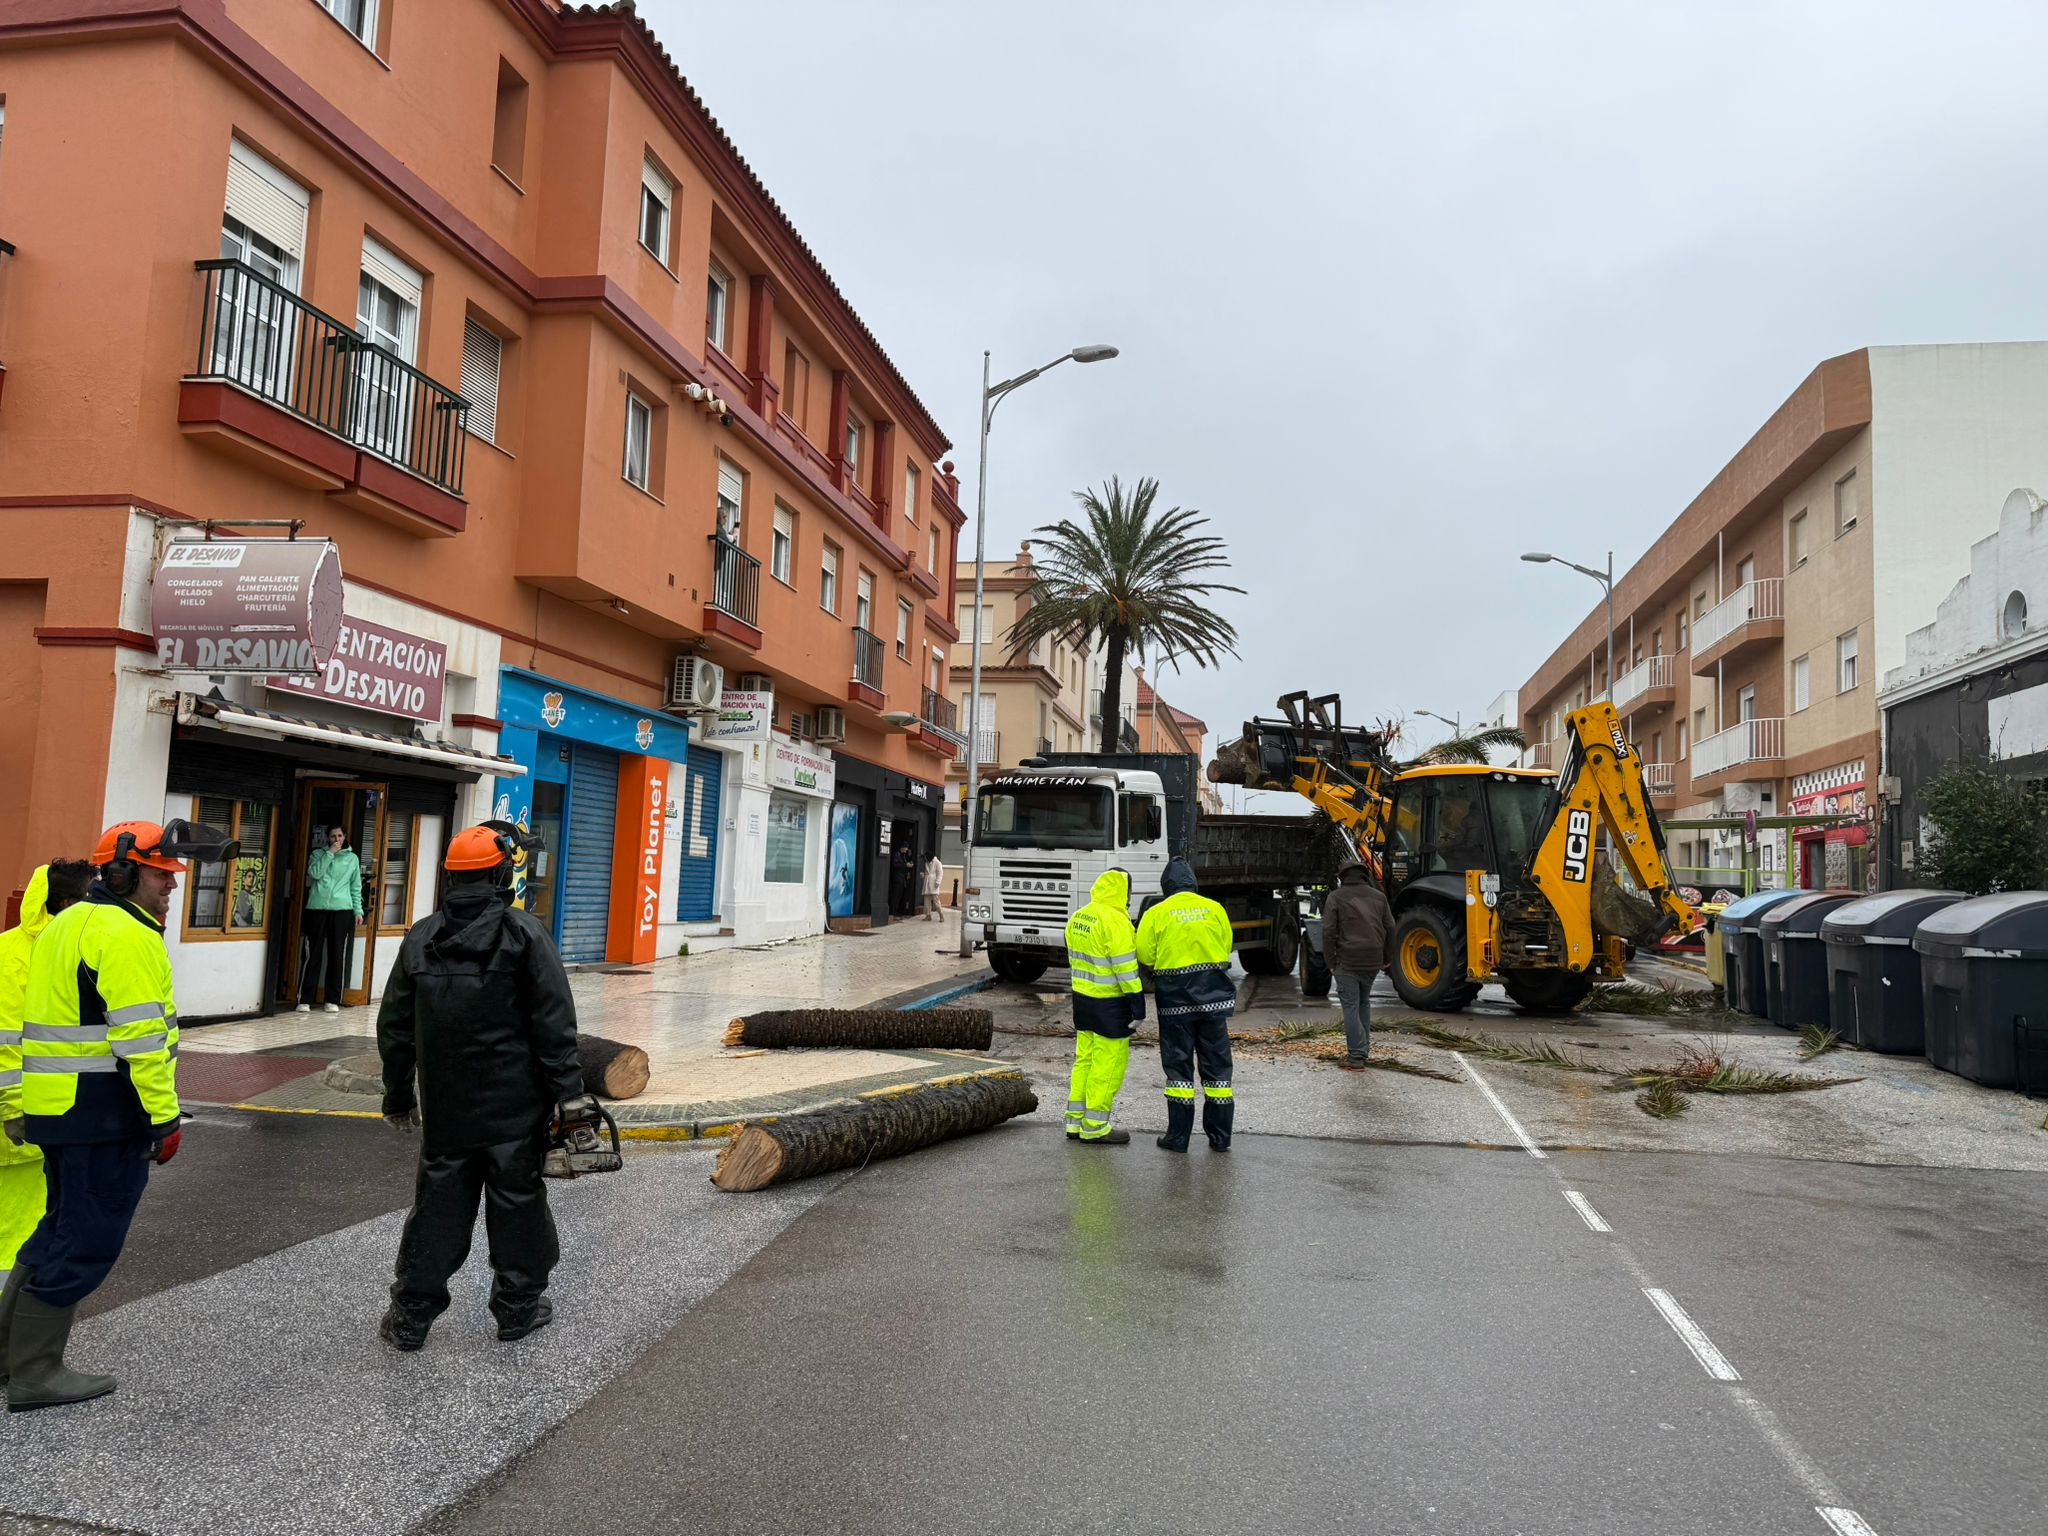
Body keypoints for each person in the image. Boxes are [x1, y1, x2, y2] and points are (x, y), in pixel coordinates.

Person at [3, 819, 232, 1410]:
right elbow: (140, 1041)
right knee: (87, 1239)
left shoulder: (69, 922)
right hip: (103, 1115)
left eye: (175, 875)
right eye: (162, 874)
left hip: (59, 1110)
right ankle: (36, 1372)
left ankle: (11, 1356)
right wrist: (164, 1118)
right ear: (127, 872)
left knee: (55, 1229)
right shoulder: (127, 935)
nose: (173, 886)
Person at [376, 824, 593, 1351]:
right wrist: (571, 1095)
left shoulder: (421, 938)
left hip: (448, 1110)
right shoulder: (525, 935)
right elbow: (554, 1024)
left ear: (451, 878)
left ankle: (410, 1317)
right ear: (501, 874)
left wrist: (399, 1094)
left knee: (438, 1205)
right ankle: (517, 1310)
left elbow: (395, 1027)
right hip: (516, 1109)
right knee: (517, 1201)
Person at [0, 862, 96, 1305]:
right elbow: (6, 1046)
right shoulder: (17, 957)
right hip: (17, 1128)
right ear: (64, 904)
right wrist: (16, 1113)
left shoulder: (64, 949)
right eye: (90, 896)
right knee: (14, 1234)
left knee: (34, 1227)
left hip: (44, 1124)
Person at [1136, 859, 1238, 1152]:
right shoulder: (1214, 909)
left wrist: (1163, 967)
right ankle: (1220, 1138)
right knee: (1218, 1069)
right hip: (1214, 1000)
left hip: (1175, 1002)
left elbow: (1144, 952)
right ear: (1193, 882)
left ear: (1166, 886)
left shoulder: (1157, 913)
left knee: (1178, 1068)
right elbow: (1227, 944)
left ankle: (1178, 1138)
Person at [1062, 869, 1145, 1146]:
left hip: (1082, 1000)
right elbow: (1125, 968)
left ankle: (1074, 1122)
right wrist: (1137, 1003)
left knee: (1084, 1060)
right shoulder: (1116, 921)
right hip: (1110, 1003)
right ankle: (1096, 1125)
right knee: (1107, 1064)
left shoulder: (1079, 916)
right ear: (1124, 892)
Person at [1321, 861, 1394, 1069]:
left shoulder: (1336, 897)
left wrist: (1330, 961)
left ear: (1342, 877)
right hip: (1372, 960)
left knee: (1351, 1006)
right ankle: (1363, 1050)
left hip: (1347, 960)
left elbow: (1328, 931)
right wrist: (1387, 957)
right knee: (1363, 1002)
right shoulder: (1379, 897)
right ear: (1364, 876)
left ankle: (1356, 1057)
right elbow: (1391, 927)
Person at [298, 824, 363, 1013]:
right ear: (328, 838)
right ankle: (305, 999)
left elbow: (355, 886)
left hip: (342, 909)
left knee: (336, 955)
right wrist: (330, 854)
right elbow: (315, 874)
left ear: (345, 837)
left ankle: (332, 999)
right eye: (333, 836)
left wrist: (357, 911)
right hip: (317, 908)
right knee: (313, 954)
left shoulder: (352, 859)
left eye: (340, 836)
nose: (337, 839)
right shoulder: (318, 854)